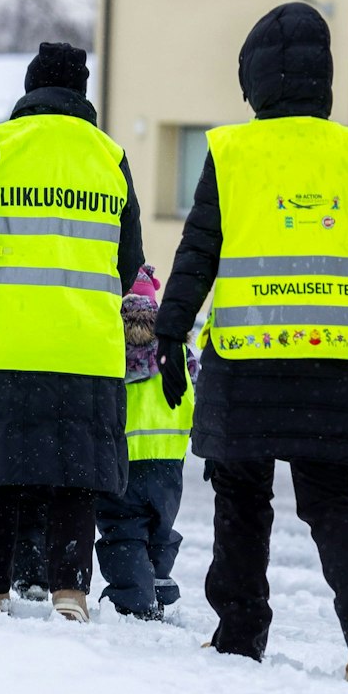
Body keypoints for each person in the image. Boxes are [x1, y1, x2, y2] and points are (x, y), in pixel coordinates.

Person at [154, 2, 348, 683]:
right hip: (338, 365)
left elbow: (197, 252)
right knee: (331, 500)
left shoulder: (234, 153)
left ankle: (240, 630)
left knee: (242, 498)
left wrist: (170, 328)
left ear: (257, 80)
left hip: (247, 364)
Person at [0, 42, 145, 623]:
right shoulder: (110, 155)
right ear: (82, 96)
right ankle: (69, 589)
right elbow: (130, 260)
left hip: (6, 338)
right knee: (77, 469)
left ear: (31, 90)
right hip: (87, 345)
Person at [94, 265, 196, 620]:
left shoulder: (108, 343)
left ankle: (136, 598)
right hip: (169, 462)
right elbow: (197, 391)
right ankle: (158, 579)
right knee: (159, 526)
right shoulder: (177, 350)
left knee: (123, 528)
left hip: (121, 459)